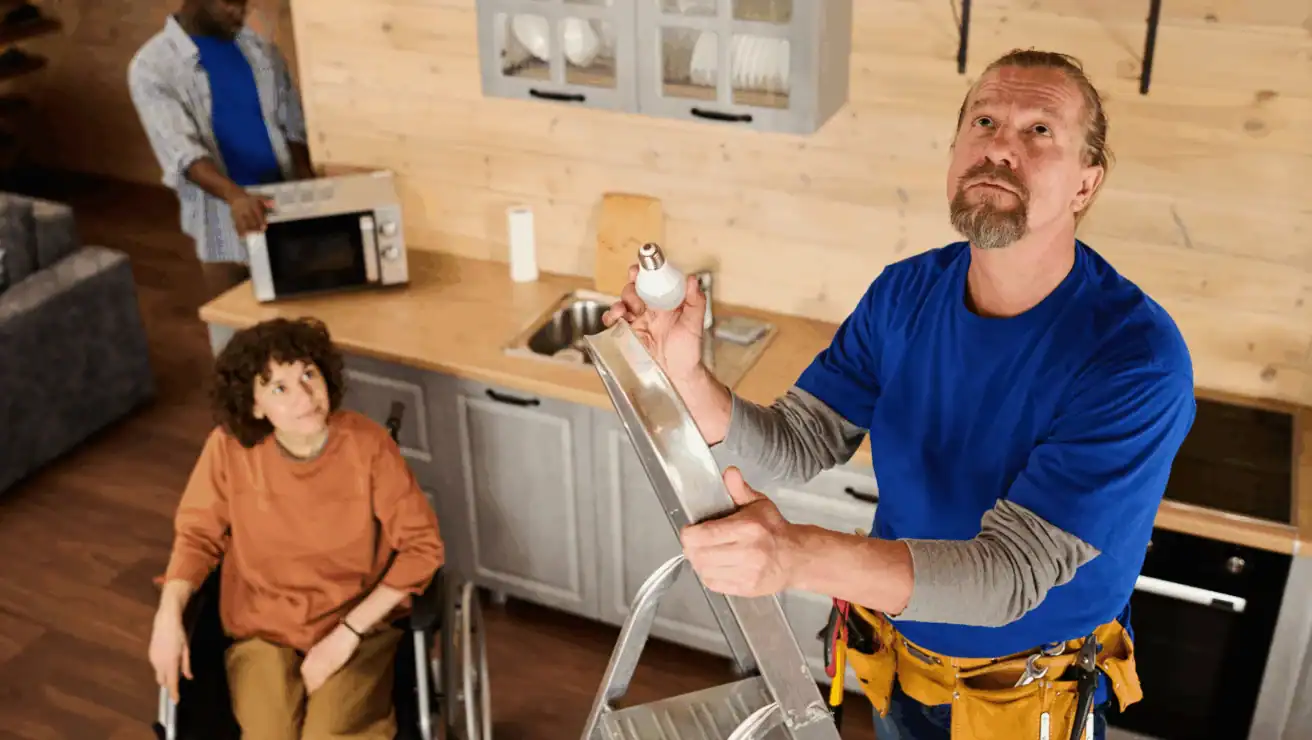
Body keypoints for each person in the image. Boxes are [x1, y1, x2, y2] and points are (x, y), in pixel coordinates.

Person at [603, 49, 1195, 740]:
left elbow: (1008, 574)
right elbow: (799, 442)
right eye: (984, 121)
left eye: (1039, 130)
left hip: (1028, 701)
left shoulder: (1134, 358)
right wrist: (686, 375)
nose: (1000, 147)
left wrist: (795, 555)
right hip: (898, 663)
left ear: (1085, 186)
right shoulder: (905, 293)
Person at [147, 317, 444, 739]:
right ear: (254, 406)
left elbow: (422, 547)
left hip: (356, 625)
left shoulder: (368, 447)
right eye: (279, 388)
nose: (304, 396)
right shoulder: (228, 449)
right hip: (262, 631)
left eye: (308, 374)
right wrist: (168, 614)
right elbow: (198, 535)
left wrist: (347, 634)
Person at [128, 0, 314, 300]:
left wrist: (305, 181)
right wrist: (235, 196)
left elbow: (292, 123)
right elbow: (182, 151)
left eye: (244, 3)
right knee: (232, 320)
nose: (239, 12)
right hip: (221, 219)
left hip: (283, 205)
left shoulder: (262, 52)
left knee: (299, 311)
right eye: (229, 3)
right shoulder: (152, 67)